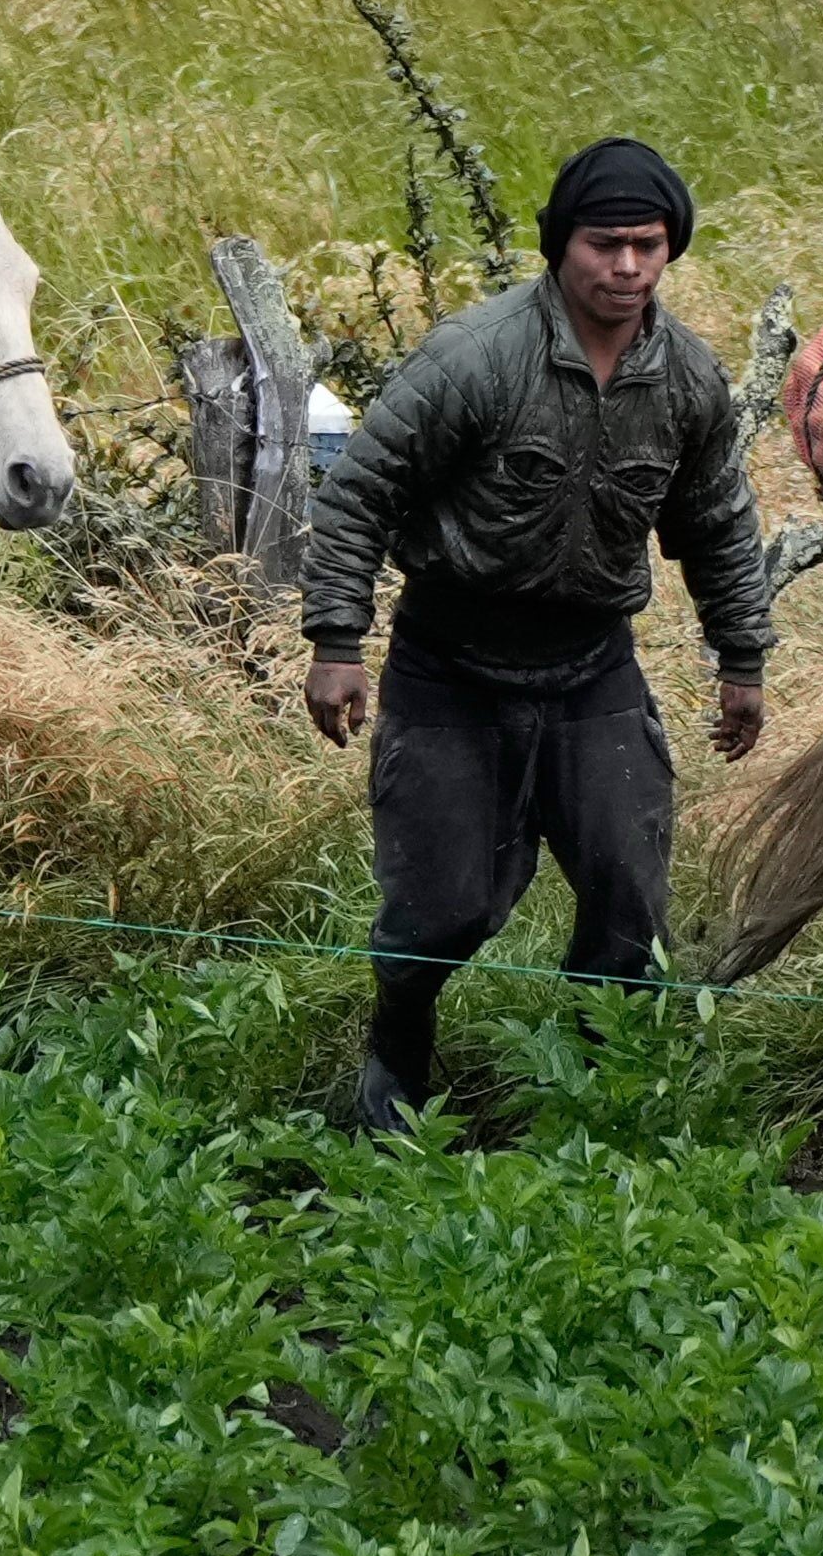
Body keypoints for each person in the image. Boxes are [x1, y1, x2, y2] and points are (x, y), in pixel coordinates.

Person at [294, 135, 772, 1131]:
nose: (627, 267)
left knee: (625, 895)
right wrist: (337, 639)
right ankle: (395, 1067)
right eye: (605, 244)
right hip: (451, 667)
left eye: (647, 245)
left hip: (593, 667)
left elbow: (718, 521)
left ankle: (603, 1105)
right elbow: (362, 493)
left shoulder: (685, 377)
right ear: (562, 245)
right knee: (444, 906)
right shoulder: (477, 356)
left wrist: (742, 658)